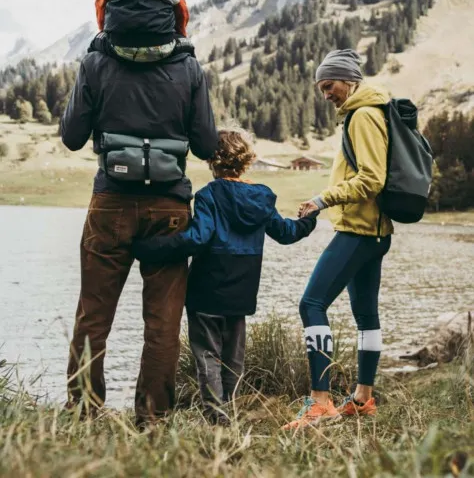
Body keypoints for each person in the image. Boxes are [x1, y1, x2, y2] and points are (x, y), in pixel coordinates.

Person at [61, 0, 218, 428]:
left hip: (110, 201)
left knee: (93, 314)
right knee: (162, 322)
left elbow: (72, 137)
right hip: (170, 207)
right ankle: (153, 422)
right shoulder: (188, 65)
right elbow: (206, 144)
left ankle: (84, 414)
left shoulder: (97, 58)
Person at [132, 127, 319, 423]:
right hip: (242, 290)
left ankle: (216, 416)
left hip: (207, 287)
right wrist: (308, 221)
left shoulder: (209, 195)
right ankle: (227, 411)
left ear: (213, 162)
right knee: (234, 359)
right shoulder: (262, 198)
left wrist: (149, 248)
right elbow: (286, 233)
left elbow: (197, 238)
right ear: (247, 160)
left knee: (207, 354)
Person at [282, 49, 394, 430]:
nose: (325, 93)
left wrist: (321, 199)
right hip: (373, 233)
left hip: (359, 231)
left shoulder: (363, 116)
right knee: (367, 317)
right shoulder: (367, 112)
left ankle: (320, 401)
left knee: (311, 303)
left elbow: (372, 179)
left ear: (349, 80)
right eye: (320, 88)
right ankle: (363, 398)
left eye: (329, 85)